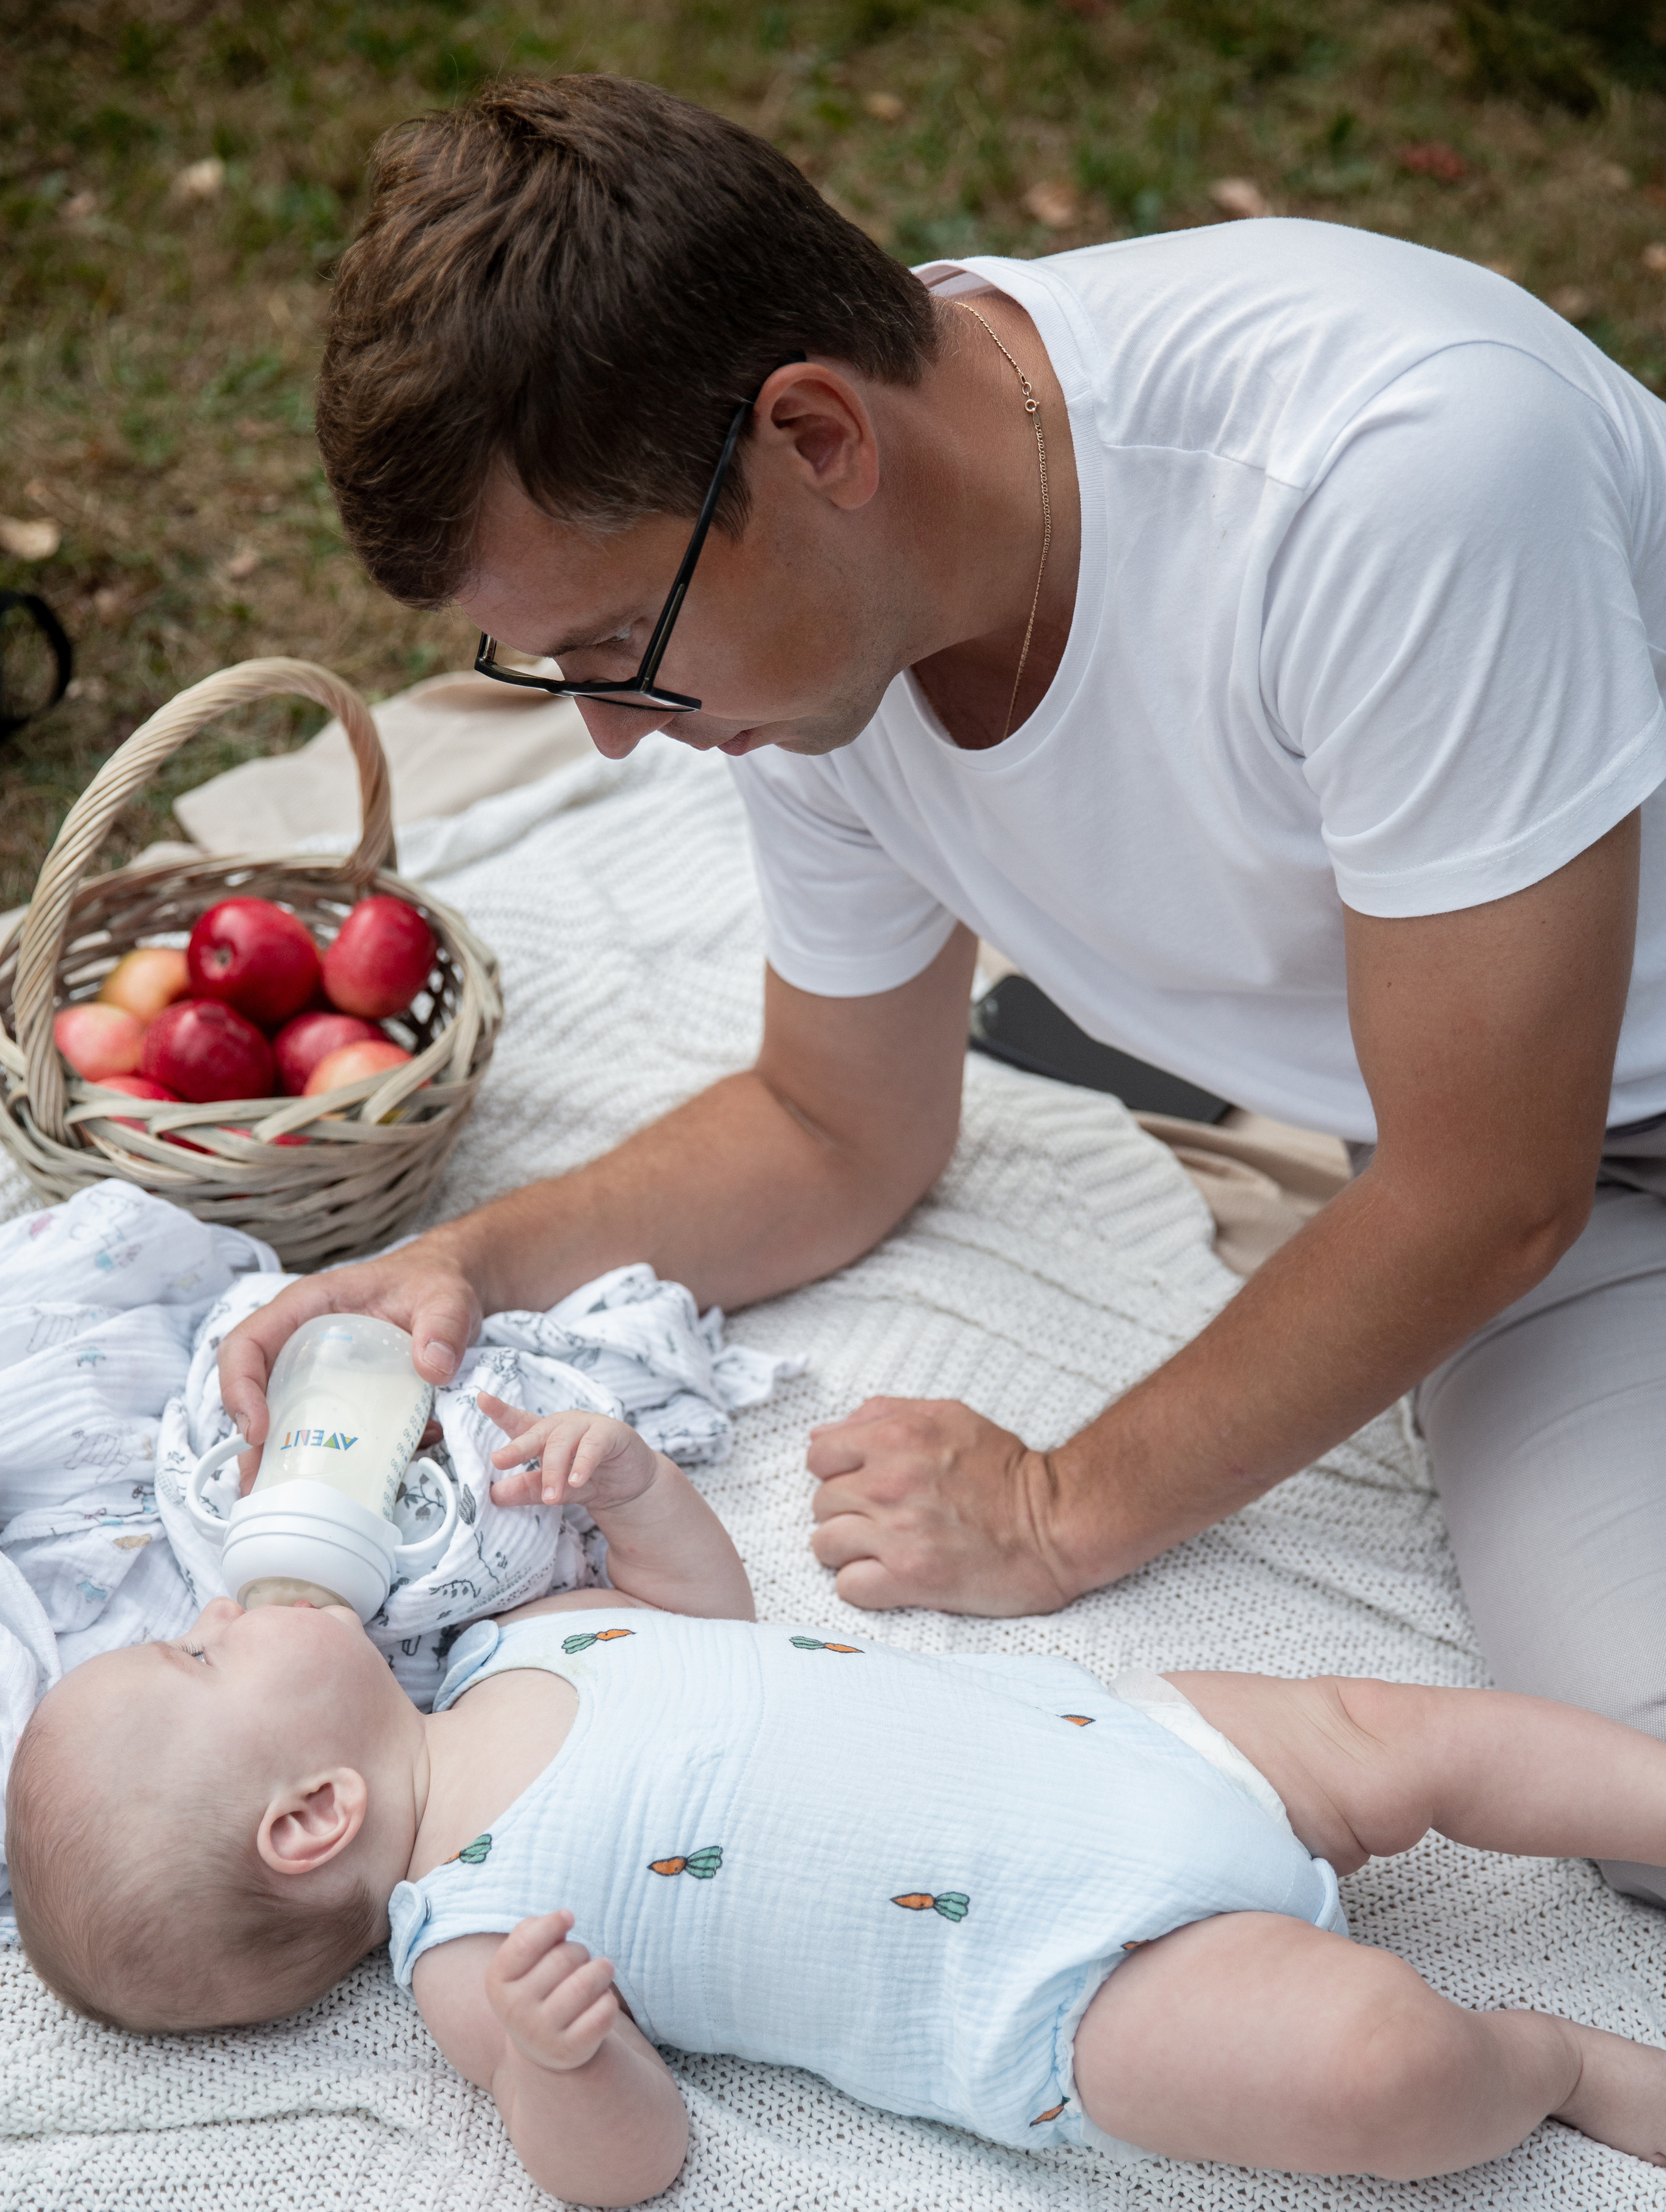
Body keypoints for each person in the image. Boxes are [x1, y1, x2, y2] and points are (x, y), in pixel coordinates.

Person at [222, 75, 1666, 1907]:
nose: (604, 737)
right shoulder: (831, 644)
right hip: (1588, 1199)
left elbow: (1487, 1189)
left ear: (816, 439)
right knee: (1636, 1793)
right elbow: (840, 1124)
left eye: (617, 649)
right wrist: (469, 1270)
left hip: (1518, 1181)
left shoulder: (1396, 474)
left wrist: (1061, 1509)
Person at [11, 1396, 1666, 2207]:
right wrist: (562, 2061)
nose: (220, 1604)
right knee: (1370, 2070)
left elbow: (714, 1629)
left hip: (1120, 1741)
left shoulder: (509, 1641)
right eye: (196, 1658)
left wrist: (639, 1493)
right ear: (302, 1823)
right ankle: (1551, 2060)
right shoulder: (474, 1940)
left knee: (1401, 1732)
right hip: (1068, 1985)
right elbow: (622, 2169)